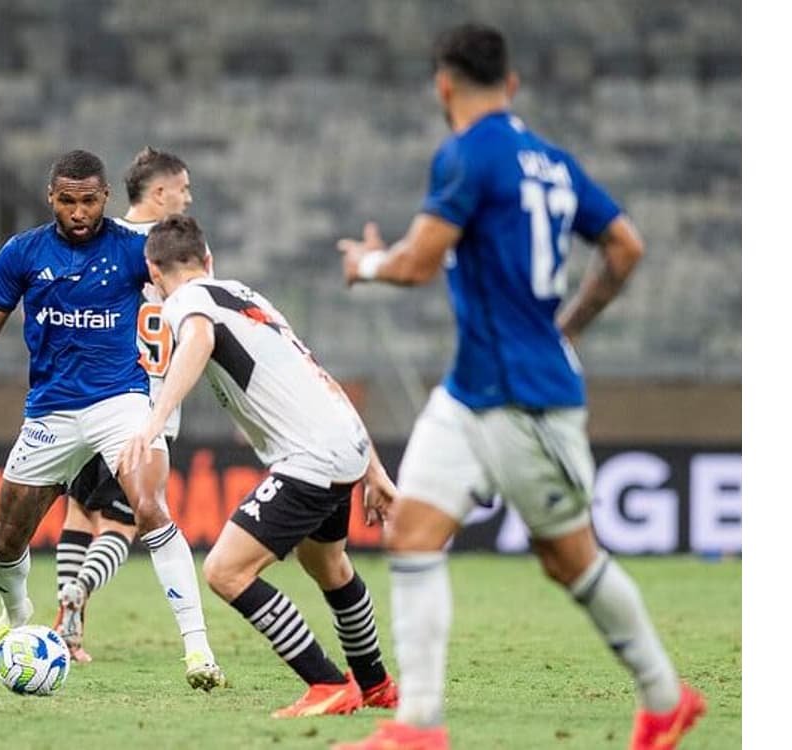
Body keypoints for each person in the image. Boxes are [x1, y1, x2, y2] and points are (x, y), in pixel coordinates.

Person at [330, 24, 705, 750]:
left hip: (525, 401)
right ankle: (418, 728)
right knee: (412, 531)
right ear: (513, 84)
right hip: (473, 389)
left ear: (444, 86)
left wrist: (367, 266)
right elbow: (626, 246)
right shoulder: (554, 162)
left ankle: (665, 697)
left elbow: (414, 266)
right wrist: (567, 327)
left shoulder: (468, 155)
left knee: (569, 559)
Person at [0, 149, 225, 691]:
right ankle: (16, 616)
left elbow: (186, 299)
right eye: (67, 201)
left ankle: (199, 651)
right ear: (51, 197)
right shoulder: (22, 253)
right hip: (50, 409)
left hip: (119, 403)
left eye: (89, 201)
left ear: (106, 199)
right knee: (5, 539)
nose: (78, 212)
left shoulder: (132, 250)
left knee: (150, 508)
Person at [119, 214, 400, 718]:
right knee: (327, 564)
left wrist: (151, 422)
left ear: (153, 271)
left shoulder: (187, 300)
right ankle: (376, 684)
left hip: (311, 456)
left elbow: (200, 341)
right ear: (209, 259)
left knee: (226, 571)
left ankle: (327, 684)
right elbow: (319, 377)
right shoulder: (250, 299)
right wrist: (374, 469)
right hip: (344, 443)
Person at [53, 146, 196, 663]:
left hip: (89, 399)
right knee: (123, 523)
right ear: (160, 193)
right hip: (146, 410)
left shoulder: (96, 239)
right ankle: (81, 590)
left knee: (77, 508)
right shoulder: (173, 257)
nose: (188, 197)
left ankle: (68, 634)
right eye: (183, 188)